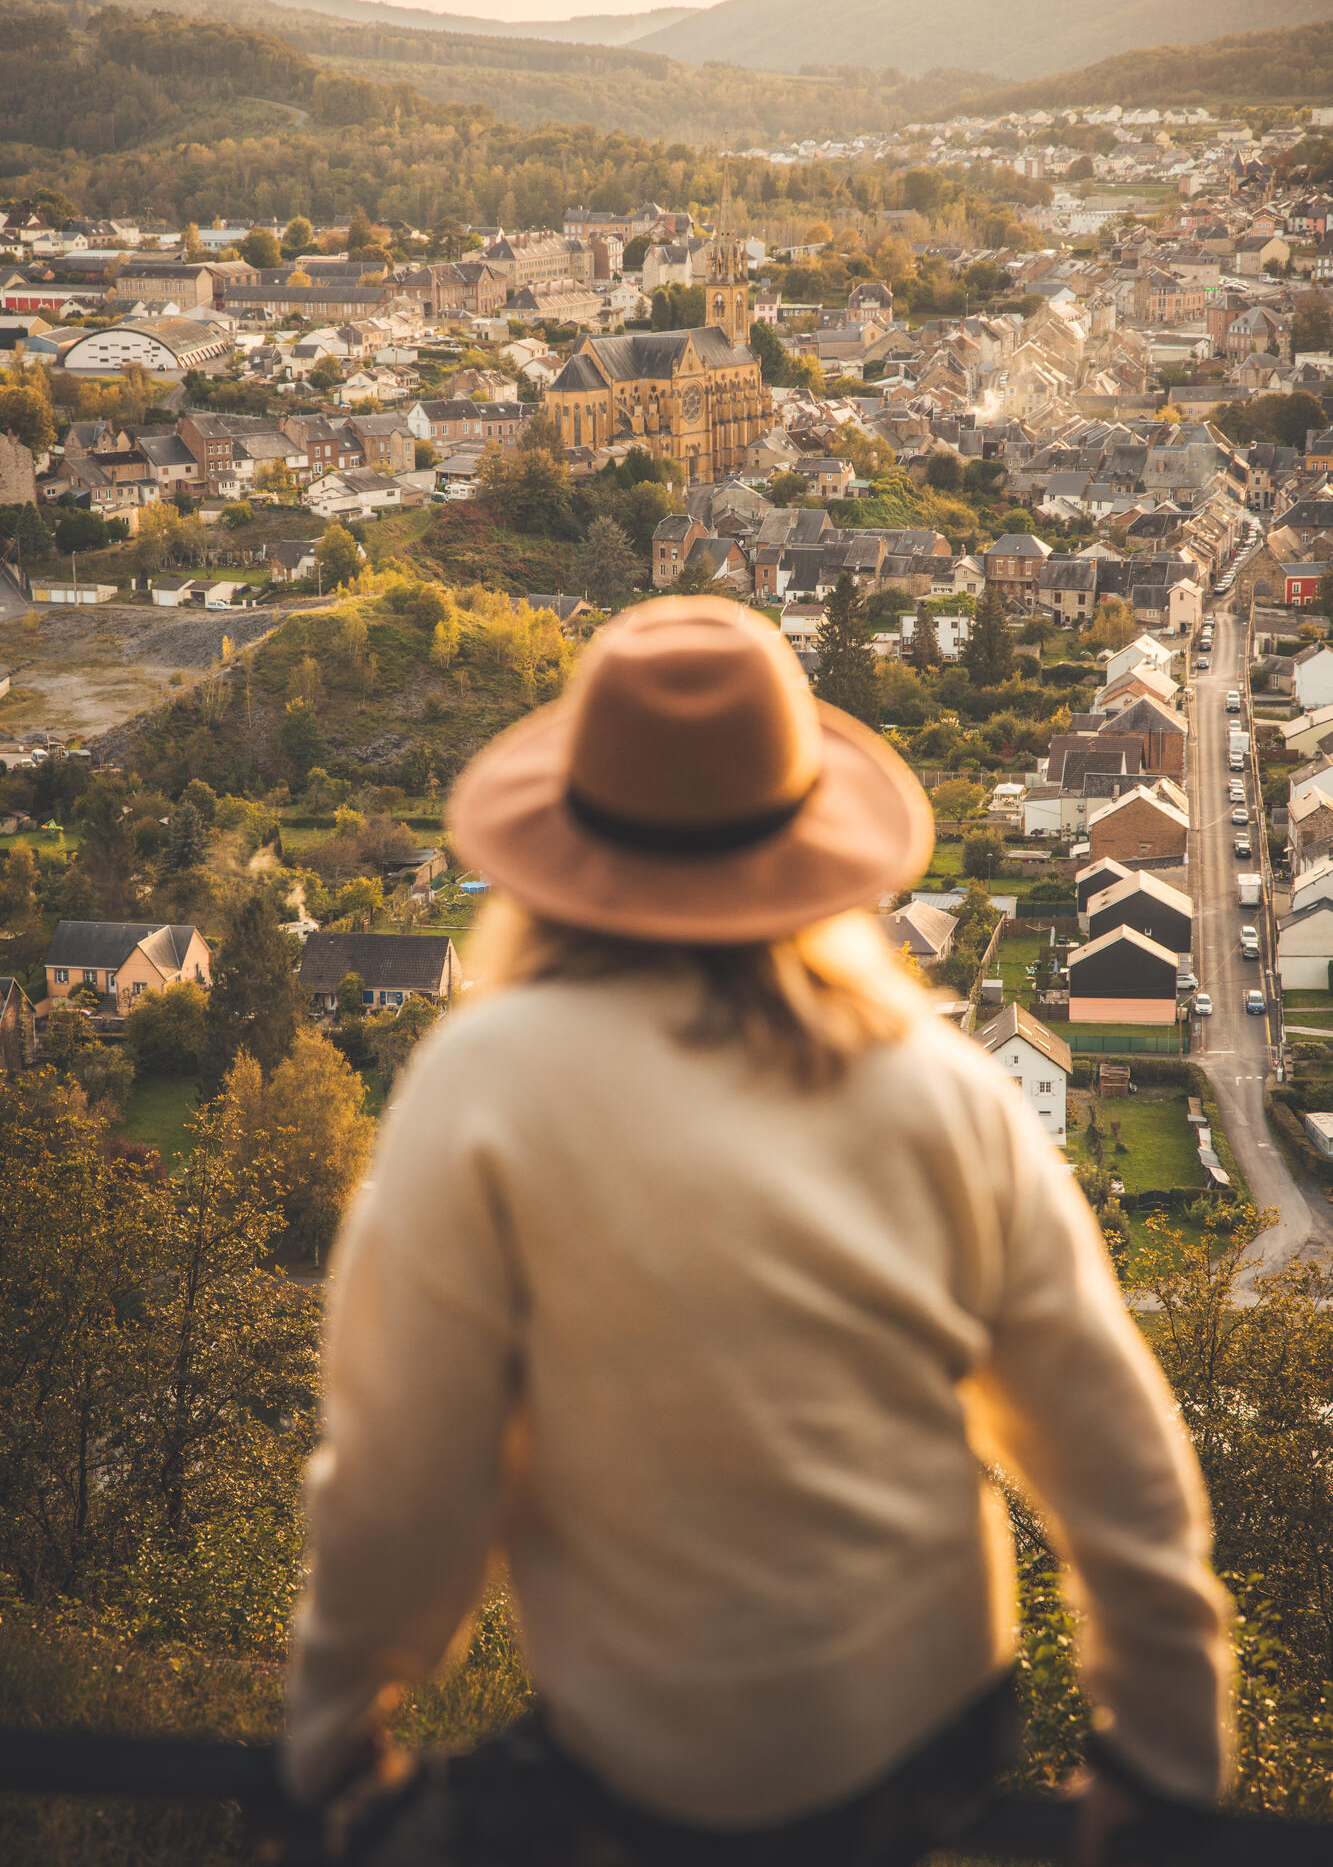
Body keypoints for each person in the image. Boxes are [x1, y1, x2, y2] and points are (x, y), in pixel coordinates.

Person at [283, 598, 1233, 1865]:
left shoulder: (488, 1080)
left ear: (566, 842)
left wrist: (337, 1726)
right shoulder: (937, 1084)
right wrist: (1163, 1759)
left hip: (650, 1759)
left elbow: (407, 1472)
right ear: (805, 843)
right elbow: (1112, 1451)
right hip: (929, 1733)